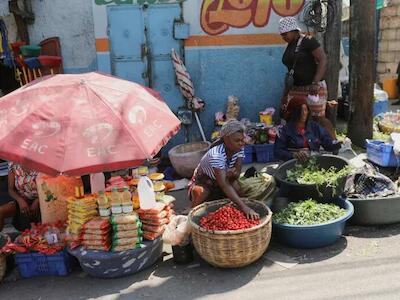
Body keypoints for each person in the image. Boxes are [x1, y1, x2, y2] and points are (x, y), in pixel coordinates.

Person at [278, 17, 336, 139]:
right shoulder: (290, 45)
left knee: (318, 117)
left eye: (285, 34)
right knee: (291, 115)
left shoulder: (307, 41)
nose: (284, 37)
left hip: (312, 88)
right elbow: (290, 72)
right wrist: (285, 94)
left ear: (294, 30)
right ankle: (299, 143)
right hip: (295, 88)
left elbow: (323, 59)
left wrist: (315, 82)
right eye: (281, 35)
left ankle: (333, 143)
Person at [189, 120, 259, 220]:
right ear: (226, 139)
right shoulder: (216, 155)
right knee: (202, 192)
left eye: (242, 140)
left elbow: (237, 174)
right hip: (206, 182)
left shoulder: (239, 149)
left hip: (223, 180)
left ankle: (239, 208)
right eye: (237, 140)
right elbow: (224, 184)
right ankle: (191, 212)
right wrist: (244, 207)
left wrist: (232, 175)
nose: (241, 143)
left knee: (238, 188)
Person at [274, 98, 341, 162]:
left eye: (305, 110)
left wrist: (337, 143)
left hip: (313, 162)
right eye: (300, 111)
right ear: (293, 113)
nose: (303, 113)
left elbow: (327, 142)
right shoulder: (284, 131)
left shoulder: (315, 127)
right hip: (292, 164)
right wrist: (293, 155)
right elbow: (278, 151)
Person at [0, 162, 40, 232]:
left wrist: (37, 201)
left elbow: (48, 190)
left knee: (39, 228)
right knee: (1, 211)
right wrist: (20, 201)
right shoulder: (13, 164)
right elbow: (11, 189)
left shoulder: (42, 167)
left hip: (41, 200)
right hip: (22, 200)